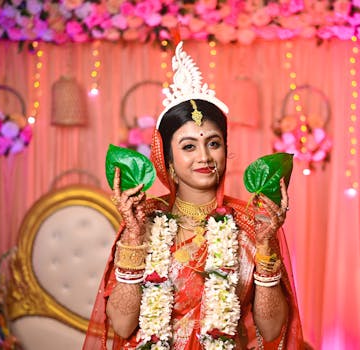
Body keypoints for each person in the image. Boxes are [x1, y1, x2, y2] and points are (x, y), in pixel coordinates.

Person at [84, 42, 304, 349]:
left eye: (213, 143)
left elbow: (270, 330)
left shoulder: (252, 224)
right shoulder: (143, 220)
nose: (204, 156)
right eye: (189, 146)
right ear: (168, 162)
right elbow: (122, 325)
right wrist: (134, 238)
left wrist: (267, 246)